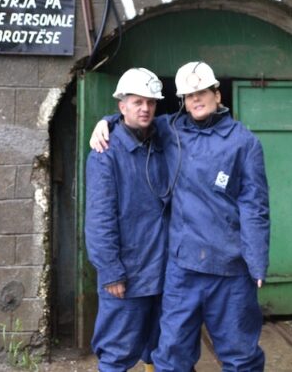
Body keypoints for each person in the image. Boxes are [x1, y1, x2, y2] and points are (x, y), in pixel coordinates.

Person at [92, 61, 270, 372]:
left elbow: (254, 206)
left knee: (241, 355)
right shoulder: (171, 129)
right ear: (182, 101)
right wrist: (105, 122)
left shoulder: (244, 142)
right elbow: (132, 121)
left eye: (201, 92)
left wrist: (256, 261)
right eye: (188, 95)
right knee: (172, 355)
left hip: (230, 267)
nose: (195, 100)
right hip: (182, 269)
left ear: (217, 94)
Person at [85, 67, 170, 372]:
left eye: (150, 102)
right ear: (122, 106)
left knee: (162, 348)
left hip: (163, 270)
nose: (145, 108)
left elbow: (191, 122)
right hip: (128, 274)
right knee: (117, 352)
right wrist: (110, 271)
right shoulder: (105, 152)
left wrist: (106, 121)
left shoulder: (161, 141)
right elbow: (99, 218)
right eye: (137, 102)